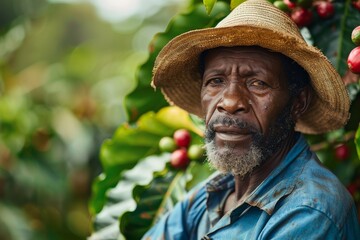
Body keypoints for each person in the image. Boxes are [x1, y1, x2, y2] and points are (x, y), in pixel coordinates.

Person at [143, 0, 360, 239]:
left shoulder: (310, 211)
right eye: (216, 81)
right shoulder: (214, 192)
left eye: (258, 83)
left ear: (298, 102)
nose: (230, 102)